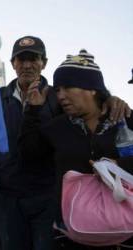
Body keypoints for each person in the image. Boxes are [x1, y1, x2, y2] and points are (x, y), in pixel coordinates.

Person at [0, 36, 131, 250]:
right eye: (21, 59)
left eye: (33, 58)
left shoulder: (59, 99)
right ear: (12, 63)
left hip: (49, 195)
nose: (26, 65)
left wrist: (109, 99)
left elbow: (91, 110)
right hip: (8, 196)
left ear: (44, 62)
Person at [19, 49, 133, 250]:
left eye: (67, 88)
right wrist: (33, 111)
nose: (60, 95)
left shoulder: (124, 120)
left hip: (124, 234)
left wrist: (119, 166)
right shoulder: (58, 127)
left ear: (92, 89)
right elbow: (29, 153)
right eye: (58, 90)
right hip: (71, 235)